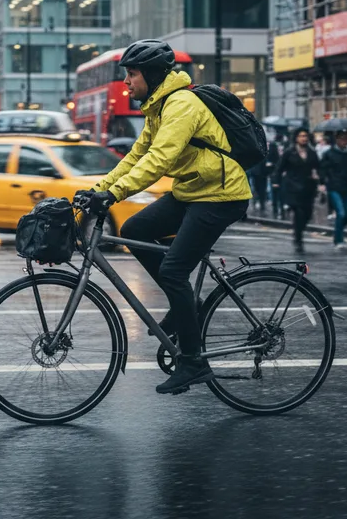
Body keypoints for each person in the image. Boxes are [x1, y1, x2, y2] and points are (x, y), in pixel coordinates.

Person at [76, 39, 250, 395]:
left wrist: (115, 194)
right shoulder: (158, 107)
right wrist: (101, 189)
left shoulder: (182, 105)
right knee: (135, 227)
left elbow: (160, 160)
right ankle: (188, 304)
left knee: (173, 271)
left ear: (153, 75)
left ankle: (193, 362)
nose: (126, 81)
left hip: (220, 195)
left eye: (132, 73)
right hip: (192, 191)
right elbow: (136, 156)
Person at [273, 128, 320, 253]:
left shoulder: (312, 152)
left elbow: (318, 168)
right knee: (299, 213)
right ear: (296, 138)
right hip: (293, 188)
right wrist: (276, 182)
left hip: (308, 188)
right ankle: (298, 240)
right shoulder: (289, 152)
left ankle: (298, 231)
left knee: (308, 214)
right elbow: (279, 168)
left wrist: (320, 179)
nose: (304, 138)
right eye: (301, 136)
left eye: (305, 136)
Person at [320, 130, 347, 249]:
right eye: (341, 139)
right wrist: (322, 183)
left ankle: (338, 231)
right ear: (336, 140)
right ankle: (338, 239)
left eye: (346, 139)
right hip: (334, 187)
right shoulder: (329, 153)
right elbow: (322, 169)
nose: (344, 141)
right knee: (341, 213)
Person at [265, 135, 283, 219]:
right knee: (278, 194)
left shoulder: (270, 156)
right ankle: (279, 209)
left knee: (275, 194)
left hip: (273, 177)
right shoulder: (278, 157)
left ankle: (276, 209)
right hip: (277, 177)